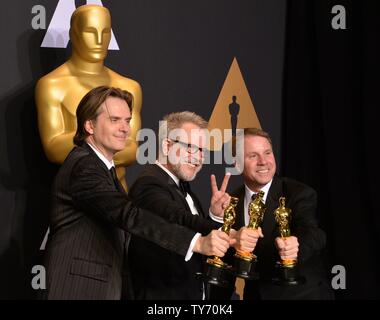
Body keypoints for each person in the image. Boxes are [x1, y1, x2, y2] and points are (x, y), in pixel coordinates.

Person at [40, 87, 231, 300]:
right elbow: (129, 215)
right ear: (89, 125)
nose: (125, 128)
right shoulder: (84, 166)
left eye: (127, 121)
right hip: (76, 289)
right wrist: (196, 242)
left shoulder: (103, 170)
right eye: (114, 120)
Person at [214, 127, 333, 300]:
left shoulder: (298, 193)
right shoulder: (230, 201)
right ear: (236, 164)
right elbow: (225, 258)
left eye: (267, 153)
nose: (263, 161)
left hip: (302, 295)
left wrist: (296, 246)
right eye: (253, 156)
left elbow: (315, 234)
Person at [127, 111, 233, 300]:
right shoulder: (148, 184)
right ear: (167, 146)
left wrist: (215, 216)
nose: (198, 157)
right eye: (191, 147)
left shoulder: (185, 190)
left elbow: (189, 235)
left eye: (202, 151)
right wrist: (229, 233)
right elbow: (176, 218)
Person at [35, 4, 140, 190]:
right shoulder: (52, 85)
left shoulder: (129, 87)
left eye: (105, 32)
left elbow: (132, 150)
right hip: (78, 195)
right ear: (73, 34)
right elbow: (53, 149)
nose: (99, 40)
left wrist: (89, 140)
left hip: (120, 192)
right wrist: (111, 141)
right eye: (90, 32)